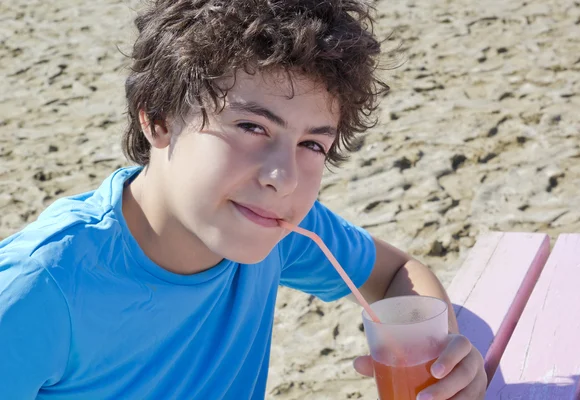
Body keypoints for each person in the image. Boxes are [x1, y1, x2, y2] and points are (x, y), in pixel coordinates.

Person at [0, 0, 487, 398]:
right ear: (159, 120)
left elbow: (395, 273)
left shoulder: (276, 230)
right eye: (252, 127)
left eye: (312, 144)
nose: (283, 179)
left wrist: (442, 353)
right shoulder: (41, 288)